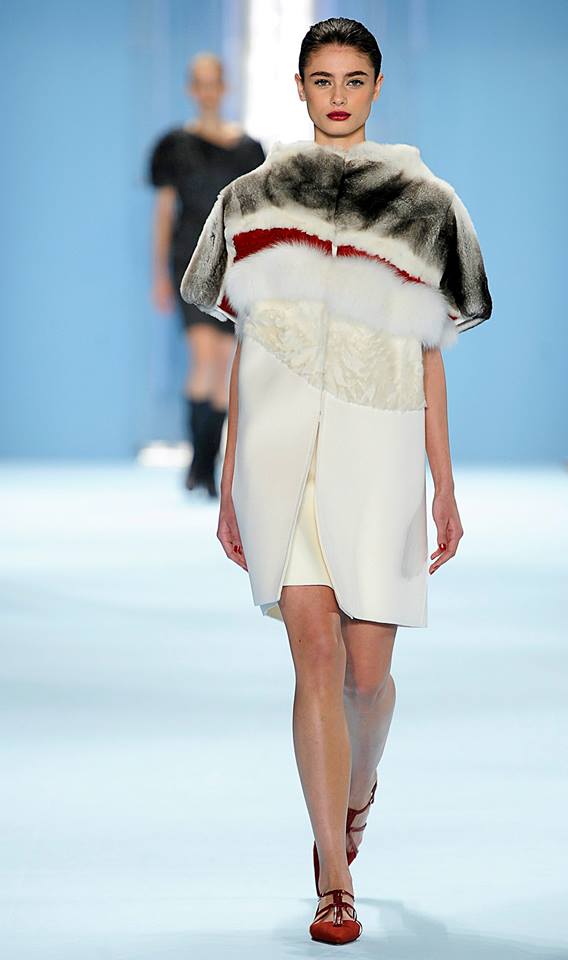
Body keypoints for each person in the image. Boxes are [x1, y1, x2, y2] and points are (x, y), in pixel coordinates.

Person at [181, 17, 492, 945]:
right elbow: (246, 349)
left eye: (355, 79)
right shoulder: (248, 200)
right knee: (313, 657)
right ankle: (334, 873)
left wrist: (443, 483)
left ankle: (358, 794)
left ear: (377, 86)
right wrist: (230, 473)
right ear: (299, 87)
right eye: (323, 79)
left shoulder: (426, 203)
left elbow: (429, 355)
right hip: (279, 457)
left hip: (380, 446)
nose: (339, 95)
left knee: (367, 675)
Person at [147, 52, 265, 496]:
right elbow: (164, 213)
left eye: (213, 81)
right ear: (190, 89)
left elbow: (254, 217)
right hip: (189, 260)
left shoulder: (250, 150)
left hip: (234, 263)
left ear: (225, 86)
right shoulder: (173, 146)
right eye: (199, 82)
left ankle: (206, 467)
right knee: (204, 357)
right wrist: (160, 274)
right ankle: (198, 464)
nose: (207, 90)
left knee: (227, 362)